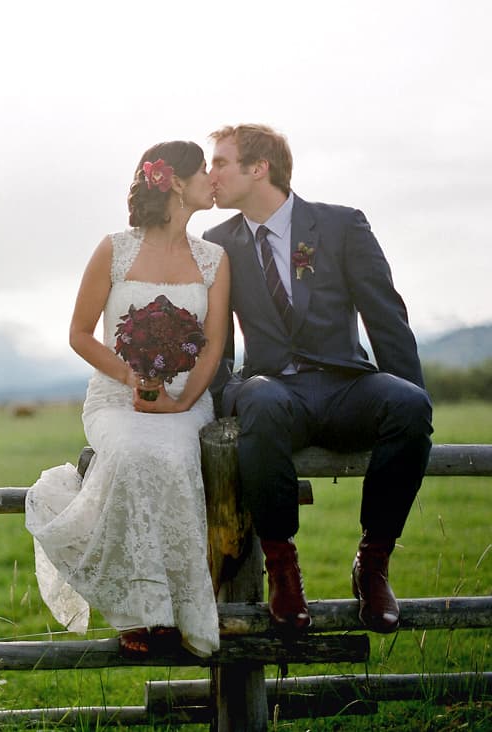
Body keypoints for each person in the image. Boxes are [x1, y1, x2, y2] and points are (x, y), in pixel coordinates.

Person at [203, 124, 433, 633]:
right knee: (257, 401)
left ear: (258, 168)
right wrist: (221, 400)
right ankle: (283, 569)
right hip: (274, 392)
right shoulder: (217, 244)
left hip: (345, 383)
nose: (209, 174)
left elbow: (386, 317)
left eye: (219, 162)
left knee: (409, 405)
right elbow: (215, 336)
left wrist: (416, 396)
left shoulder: (341, 225)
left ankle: (372, 564)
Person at [25, 141, 231, 658]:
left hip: (186, 401)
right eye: (205, 170)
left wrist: (181, 404)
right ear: (178, 183)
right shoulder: (114, 249)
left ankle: (182, 609)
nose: (212, 178)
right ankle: (143, 612)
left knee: (177, 453)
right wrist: (133, 377)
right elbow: (79, 333)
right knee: (135, 453)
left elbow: (215, 346)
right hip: (117, 399)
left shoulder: (214, 260)